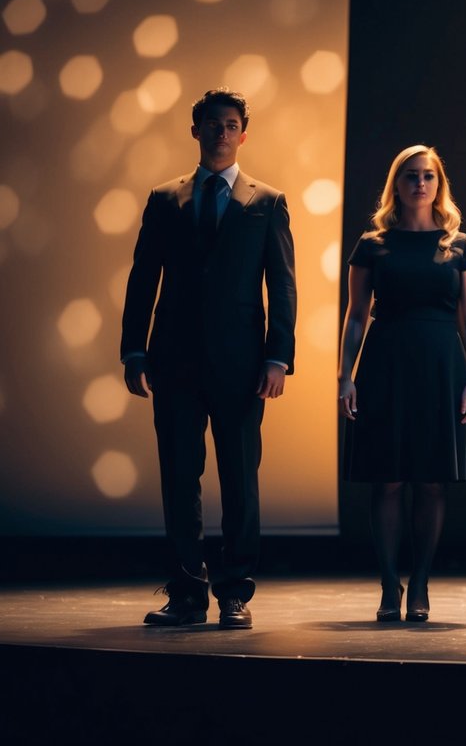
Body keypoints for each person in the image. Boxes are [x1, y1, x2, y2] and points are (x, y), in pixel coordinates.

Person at [122, 88, 297, 629]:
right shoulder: (162, 198)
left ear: (243, 134)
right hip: (173, 358)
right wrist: (134, 350)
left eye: (230, 125)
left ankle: (235, 592)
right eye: (211, 124)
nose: (221, 133)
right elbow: (142, 278)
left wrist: (278, 358)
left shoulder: (267, 201)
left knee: (240, 477)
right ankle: (186, 593)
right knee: (179, 475)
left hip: (242, 363)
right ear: (193, 130)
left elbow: (283, 286)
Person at [339, 145, 466, 623]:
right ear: (396, 185)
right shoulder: (373, 244)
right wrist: (345, 376)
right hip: (385, 364)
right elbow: (357, 317)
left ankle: (419, 583)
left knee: (432, 480)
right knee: (388, 479)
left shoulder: (459, 245)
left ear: (438, 184)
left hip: (442, 366)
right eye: (410, 176)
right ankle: (388, 585)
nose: (420, 183)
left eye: (428, 176)